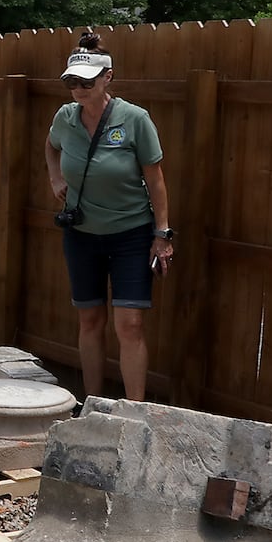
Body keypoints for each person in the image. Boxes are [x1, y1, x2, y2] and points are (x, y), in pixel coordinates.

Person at [45, 31, 171, 403]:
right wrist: (54, 177)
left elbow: (156, 178)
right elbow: (51, 147)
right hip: (81, 233)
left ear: (108, 77)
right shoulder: (65, 118)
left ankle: (134, 411)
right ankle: (94, 404)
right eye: (72, 82)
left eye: (87, 81)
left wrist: (162, 234)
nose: (79, 88)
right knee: (90, 320)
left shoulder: (135, 119)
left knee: (129, 323)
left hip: (131, 233)